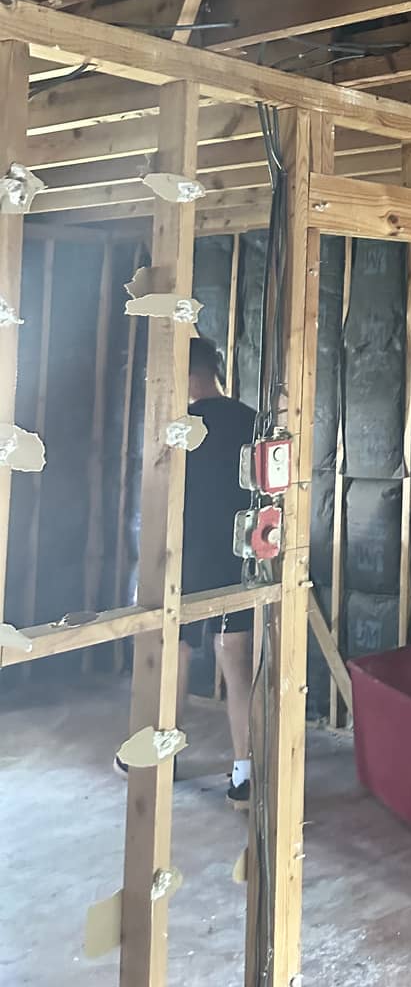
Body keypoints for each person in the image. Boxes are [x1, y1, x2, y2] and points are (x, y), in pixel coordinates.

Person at [115, 336, 258, 808]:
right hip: (238, 554)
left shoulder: (180, 426)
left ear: (185, 372)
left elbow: (161, 495)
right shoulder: (250, 420)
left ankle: (163, 757)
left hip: (187, 556)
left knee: (174, 650)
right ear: (214, 369)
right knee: (236, 657)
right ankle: (245, 774)